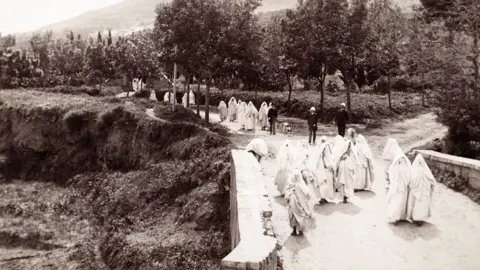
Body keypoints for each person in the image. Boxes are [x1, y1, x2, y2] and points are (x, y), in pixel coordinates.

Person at [284, 169, 316, 236]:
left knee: (295, 217)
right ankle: (298, 230)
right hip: (297, 205)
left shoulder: (293, 184)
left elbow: (287, 196)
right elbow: (307, 194)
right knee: (299, 217)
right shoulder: (299, 184)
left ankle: (296, 230)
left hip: (295, 205)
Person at [407, 154, 436, 226]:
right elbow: (432, 180)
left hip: (417, 192)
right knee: (422, 205)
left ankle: (416, 218)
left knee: (416, 204)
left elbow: (410, 181)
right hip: (424, 192)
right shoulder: (426, 171)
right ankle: (420, 219)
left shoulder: (413, 171)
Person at [386, 151, 411, 224]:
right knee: (396, 203)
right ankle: (394, 218)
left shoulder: (406, 167)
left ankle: (401, 217)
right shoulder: (394, 167)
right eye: (399, 160)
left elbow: (408, 176)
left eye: (402, 159)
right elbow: (392, 176)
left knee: (402, 202)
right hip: (396, 188)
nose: (401, 161)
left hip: (404, 188)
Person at [332, 135, 358, 203]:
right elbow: (337, 158)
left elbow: (355, 160)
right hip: (343, 167)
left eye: (350, 146)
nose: (349, 148)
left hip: (348, 169)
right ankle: (344, 195)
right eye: (348, 146)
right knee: (342, 181)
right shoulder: (342, 153)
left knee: (348, 182)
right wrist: (341, 159)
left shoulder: (352, 154)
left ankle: (346, 195)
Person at [315, 136, 335, 203]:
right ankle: (322, 198)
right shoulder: (323, 147)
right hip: (323, 168)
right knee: (323, 183)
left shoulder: (323, 147)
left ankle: (324, 197)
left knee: (325, 183)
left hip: (324, 168)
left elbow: (328, 157)